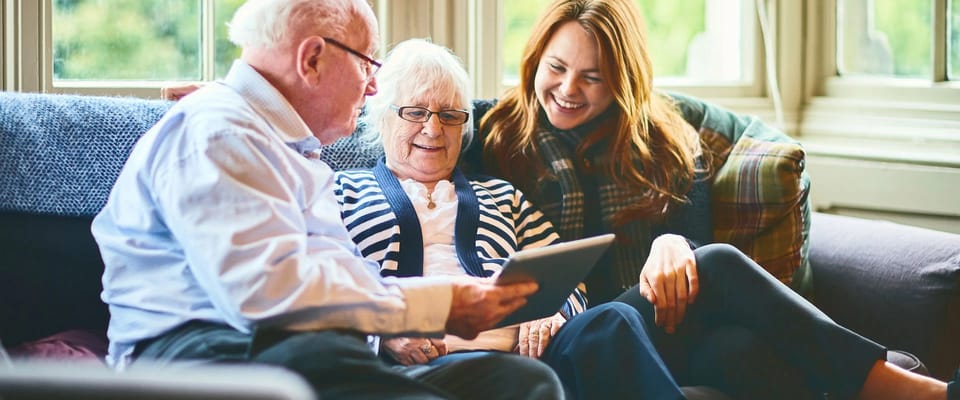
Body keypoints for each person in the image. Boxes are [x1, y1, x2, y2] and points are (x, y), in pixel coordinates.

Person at [468, 0, 957, 399]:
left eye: (592, 77)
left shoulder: (664, 140)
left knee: (739, 350)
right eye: (556, 67)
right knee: (720, 263)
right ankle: (915, 392)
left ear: (621, 81)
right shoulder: (492, 132)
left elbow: (693, 250)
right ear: (534, 59)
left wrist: (673, 242)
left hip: (664, 324)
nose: (568, 89)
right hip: (581, 333)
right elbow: (407, 139)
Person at [90, 1, 565, 399]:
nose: (373, 85)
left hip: (300, 349)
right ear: (312, 58)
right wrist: (433, 305)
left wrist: (436, 309)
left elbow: (336, 284)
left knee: (521, 381)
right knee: (320, 354)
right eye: (367, 64)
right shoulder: (219, 131)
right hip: (204, 352)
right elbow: (267, 294)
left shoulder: (289, 149)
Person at [334, 37, 687, 400]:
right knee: (518, 377)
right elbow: (317, 286)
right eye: (415, 112)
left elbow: (567, 275)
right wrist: (382, 327)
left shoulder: (503, 196)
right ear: (381, 115)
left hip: (530, 348)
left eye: (450, 116)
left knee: (615, 319)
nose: (433, 129)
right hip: (425, 363)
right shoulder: (341, 193)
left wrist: (553, 310)